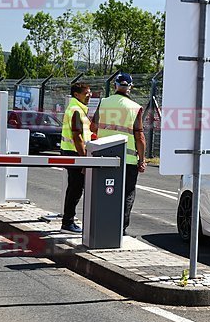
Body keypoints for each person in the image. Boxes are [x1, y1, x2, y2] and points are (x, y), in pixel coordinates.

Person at [90, 73, 146, 234]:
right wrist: (141, 160)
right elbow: (140, 136)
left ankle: (101, 225)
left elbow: (93, 127)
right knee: (127, 193)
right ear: (130, 87)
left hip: (102, 156)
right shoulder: (135, 108)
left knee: (103, 191)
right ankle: (120, 229)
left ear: (115, 85)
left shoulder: (104, 102)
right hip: (127, 160)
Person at [60, 82, 92, 233]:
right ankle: (68, 222)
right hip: (74, 153)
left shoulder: (78, 109)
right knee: (75, 188)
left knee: (75, 187)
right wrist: (85, 159)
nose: (89, 95)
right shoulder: (76, 110)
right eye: (86, 93)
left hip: (73, 152)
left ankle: (68, 221)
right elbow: (77, 136)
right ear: (76, 95)